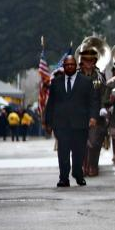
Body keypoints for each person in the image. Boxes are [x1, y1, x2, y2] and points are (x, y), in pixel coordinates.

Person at [44, 54, 97, 187]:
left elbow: (92, 102)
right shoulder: (56, 83)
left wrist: (93, 117)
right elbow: (51, 103)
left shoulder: (86, 81)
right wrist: (48, 122)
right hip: (61, 124)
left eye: (72, 65)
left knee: (79, 152)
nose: (69, 67)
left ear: (76, 66)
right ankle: (63, 178)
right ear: (64, 66)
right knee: (63, 152)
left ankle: (78, 174)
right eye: (67, 65)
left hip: (80, 124)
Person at [77, 46, 108, 177]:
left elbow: (103, 95)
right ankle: (83, 167)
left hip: (96, 115)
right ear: (82, 61)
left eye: (91, 61)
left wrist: (101, 110)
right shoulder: (76, 76)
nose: (89, 63)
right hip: (79, 115)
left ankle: (93, 165)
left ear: (95, 61)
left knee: (94, 143)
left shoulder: (100, 77)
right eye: (86, 60)